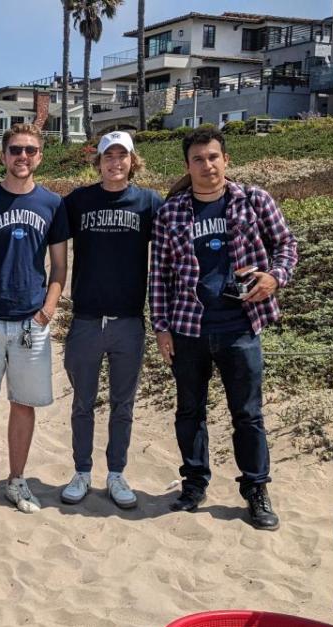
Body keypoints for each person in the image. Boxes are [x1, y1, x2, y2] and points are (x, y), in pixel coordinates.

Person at [149, 127, 298, 531]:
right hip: (188, 327)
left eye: (213, 157)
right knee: (189, 412)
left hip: (241, 328)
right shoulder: (171, 212)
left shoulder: (254, 200)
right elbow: (159, 276)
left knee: (247, 415)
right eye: (198, 159)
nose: (207, 165)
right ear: (188, 165)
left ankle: (255, 490)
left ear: (226, 160)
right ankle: (194, 483)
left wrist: (274, 277)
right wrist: (160, 328)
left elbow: (287, 244)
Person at [0, 124, 69, 514]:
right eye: (16, 150)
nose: (23, 156)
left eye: (31, 150)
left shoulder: (52, 204)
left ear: (40, 156)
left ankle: (17, 481)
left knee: (24, 404)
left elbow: (58, 266)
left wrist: (47, 310)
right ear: (3, 155)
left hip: (30, 322)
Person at [59, 131, 164, 509]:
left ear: (133, 160)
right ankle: (82, 472)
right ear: (98, 161)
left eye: (123, 156)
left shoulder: (149, 202)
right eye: (109, 156)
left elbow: (181, 228)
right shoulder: (79, 201)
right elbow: (40, 218)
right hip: (86, 319)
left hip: (128, 323)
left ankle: (116, 473)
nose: (115, 162)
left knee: (123, 405)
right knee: (82, 403)